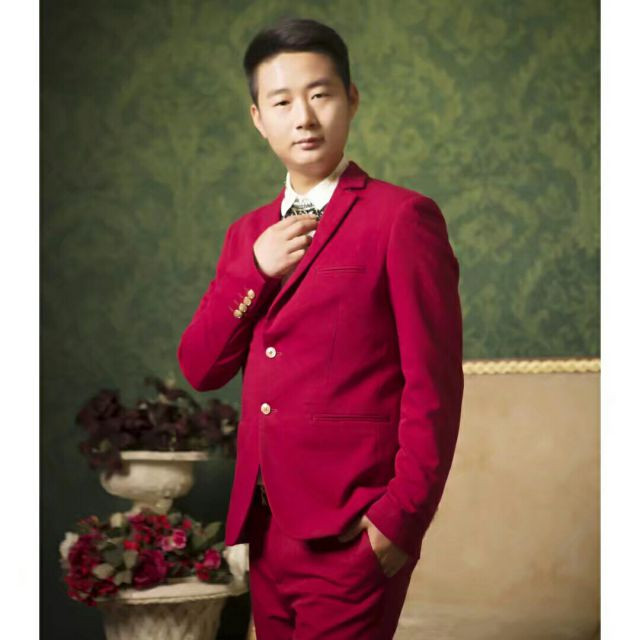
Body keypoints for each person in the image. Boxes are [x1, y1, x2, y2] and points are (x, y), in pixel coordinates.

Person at [177, 17, 464, 640]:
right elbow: (200, 368)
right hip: (262, 531)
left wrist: (398, 522)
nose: (303, 117)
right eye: (282, 102)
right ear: (258, 119)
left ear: (351, 99)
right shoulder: (247, 235)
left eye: (320, 94)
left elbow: (434, 386)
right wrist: (253, 271)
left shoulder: (402, 218)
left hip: (353, 529)